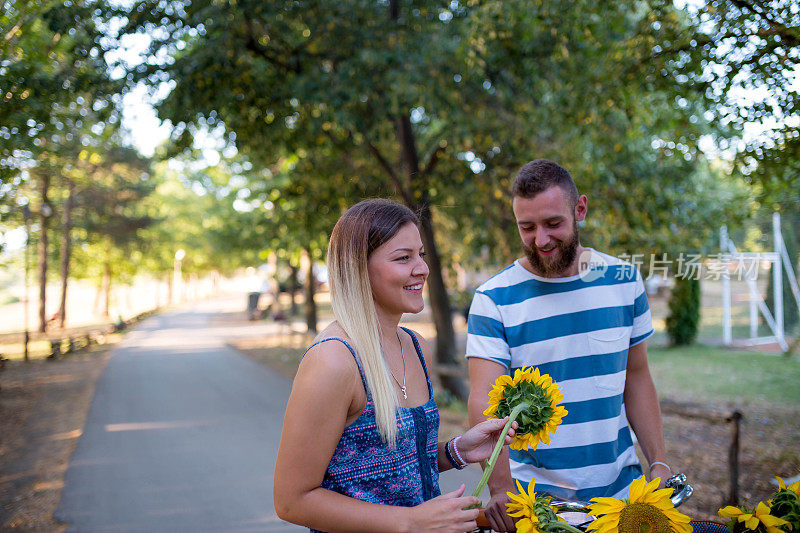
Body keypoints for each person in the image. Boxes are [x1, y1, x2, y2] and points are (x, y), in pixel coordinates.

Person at [274, 198, 517, 533]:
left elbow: (391, 464)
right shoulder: (333, 361)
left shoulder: (416, 347)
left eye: (421, 254)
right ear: (358, 268)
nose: (422, 268)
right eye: (404, 258)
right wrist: (410, 522)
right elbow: (291, 500)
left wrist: (459, 450)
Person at [466, 159, 672, 532]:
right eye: (526, 228)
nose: (540, 240)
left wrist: (659, 460)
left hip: (623, 501)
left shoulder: (624, 281)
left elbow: (637, 378)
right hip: (535, 509)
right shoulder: (492, 298)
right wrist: (500, 489)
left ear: (580, 210)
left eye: (553, 224)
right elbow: (483, 400)